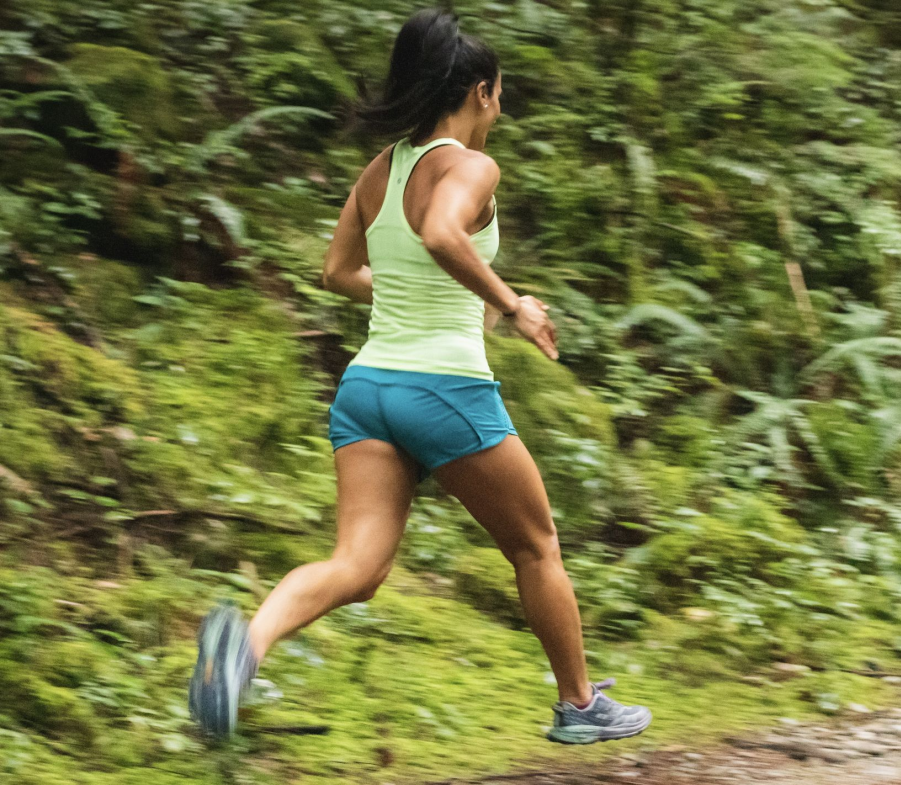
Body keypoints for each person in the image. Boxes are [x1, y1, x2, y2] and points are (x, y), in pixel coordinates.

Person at [188, 8, 651, 746]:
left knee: (357, 565)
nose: (499, 107)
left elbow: (336, 272)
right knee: (537, 546)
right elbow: (440, 231)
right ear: (479, 92)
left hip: (368, 389)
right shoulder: (471, 165)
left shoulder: (382, 168)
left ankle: (243, 648)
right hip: (443, 389)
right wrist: (513, 304)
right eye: (499, 94)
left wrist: (422, 291)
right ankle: (580, 704)